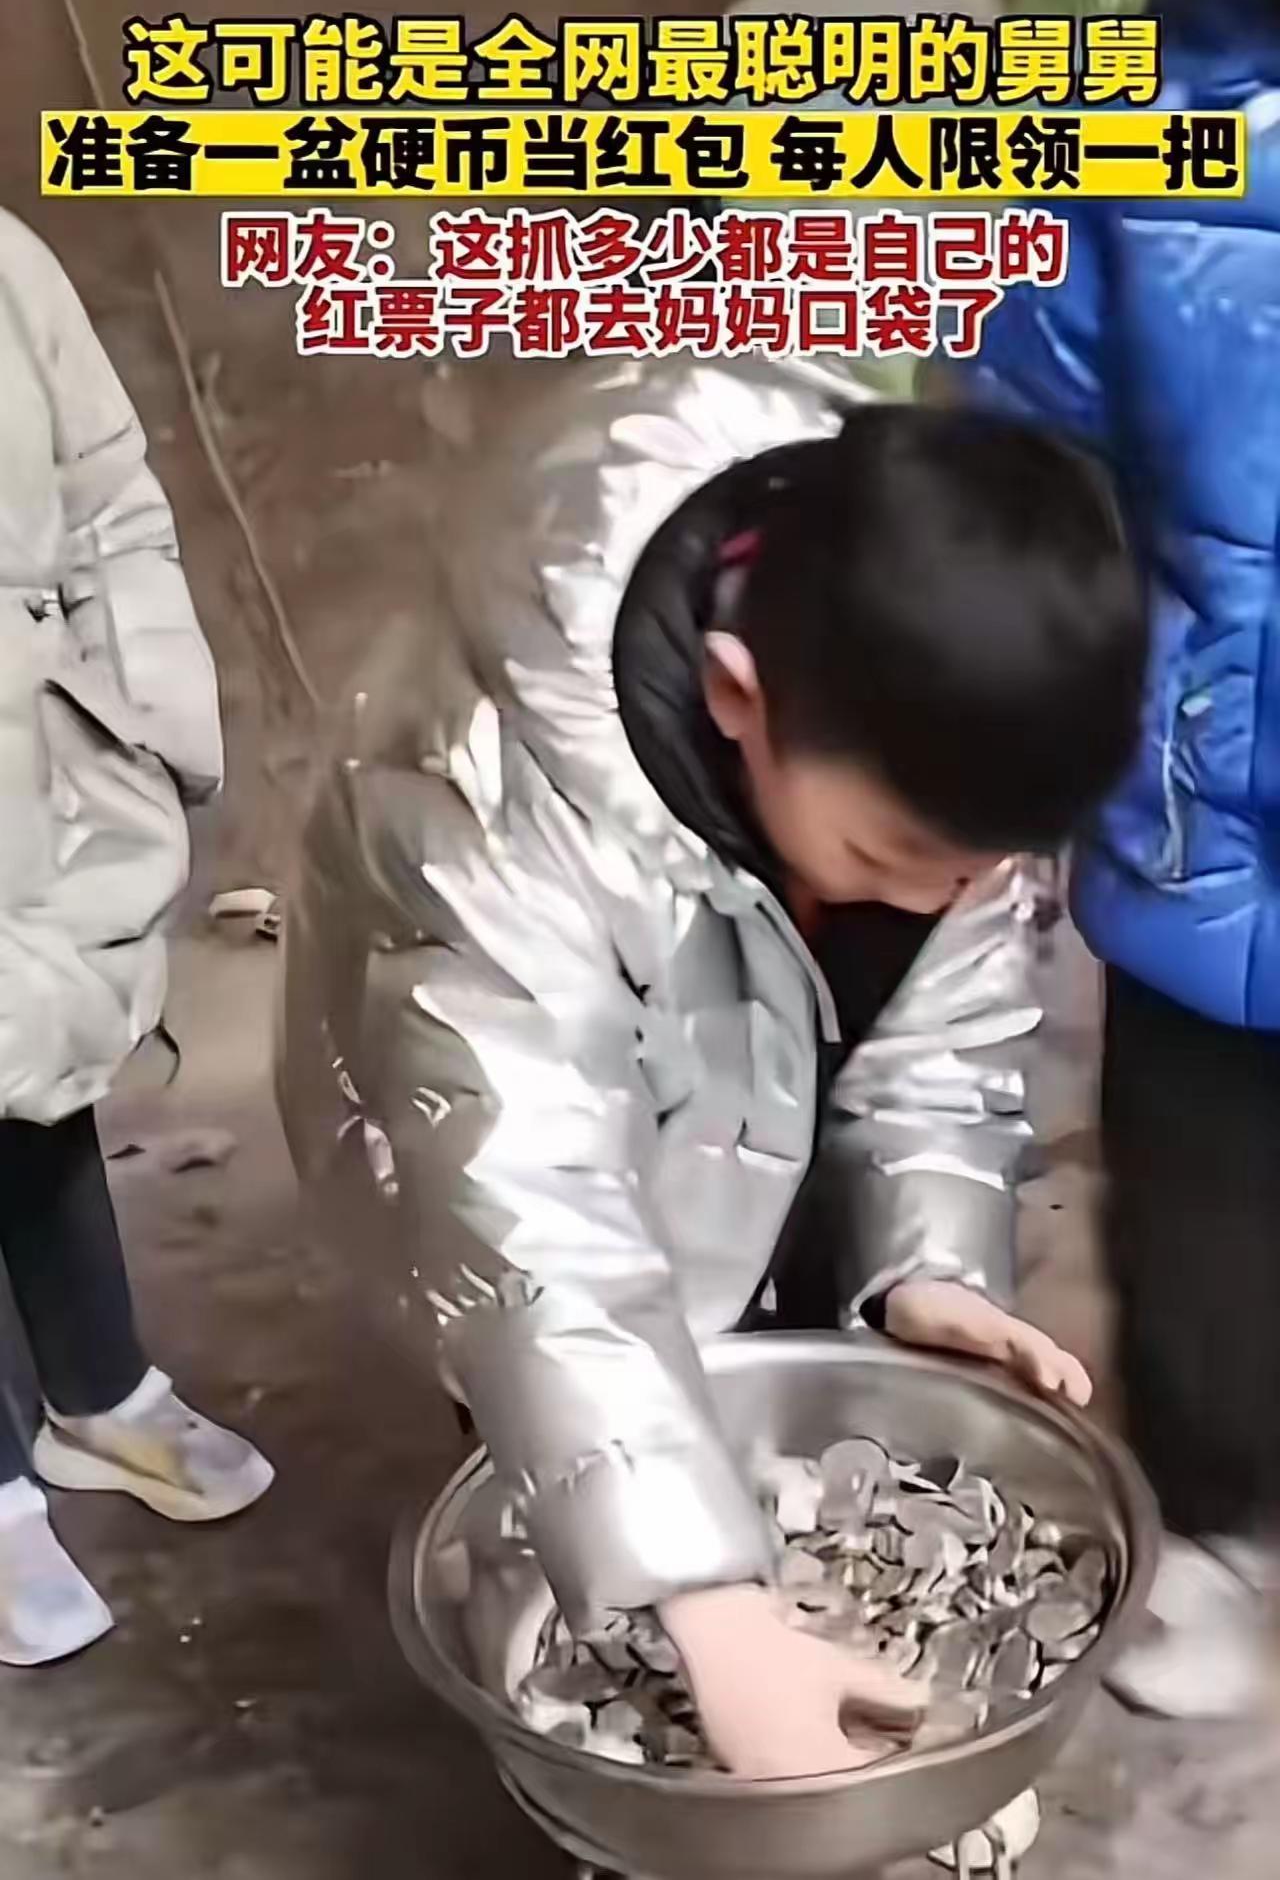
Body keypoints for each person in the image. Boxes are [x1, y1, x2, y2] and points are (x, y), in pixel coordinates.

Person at [279, 355, 1146, 1778]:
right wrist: (699, 1595)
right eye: (890, 857)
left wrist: (924, 1263)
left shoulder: (949, 720)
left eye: (977, 871)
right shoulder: (497, 788)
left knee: (774, 1343)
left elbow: (944, 1034)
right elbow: (522, 1199)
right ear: (738, 697)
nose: (935, 900)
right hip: (486, 1155)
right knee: (567, 1433)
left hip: (753, 1078)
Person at [964, 0, 1280, 1718]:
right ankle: (1221, 1525)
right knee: (1198, 1183)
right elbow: (1034, 441)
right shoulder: (1123, 118)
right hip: (1201, 793)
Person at [0, 209, 272, 1667]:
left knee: (45, 1060)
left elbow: (108, 496)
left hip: (30, 756)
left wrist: (149, 728)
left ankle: (97, 1395)